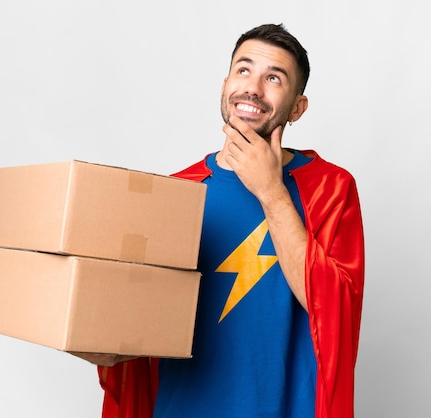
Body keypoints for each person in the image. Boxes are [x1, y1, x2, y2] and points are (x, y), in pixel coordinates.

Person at [92, 23, 365, 418]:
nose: (252, 87)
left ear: (297, 107)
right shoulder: (177, 191)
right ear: (225, 86)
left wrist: (272, 191)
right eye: (243, 70)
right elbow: (135, 329)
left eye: (274, 78)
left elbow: (334, 313)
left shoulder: (330, 188)